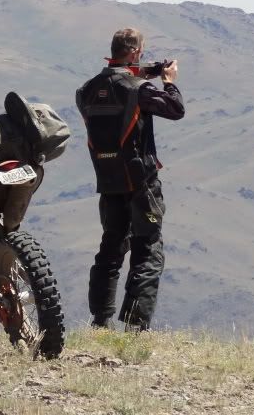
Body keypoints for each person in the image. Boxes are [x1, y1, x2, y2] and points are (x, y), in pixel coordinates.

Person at [75, 27, 184, 331]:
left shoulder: (85, 90)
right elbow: (175, 110)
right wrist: (168, 81)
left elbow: (118, 81)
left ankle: (100, 320)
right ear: (136, 52)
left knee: (110, 249)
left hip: (108, 182)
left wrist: (146, 71)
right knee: (147, 249)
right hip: (141, 184)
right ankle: (135, 325)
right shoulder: (140, 89)